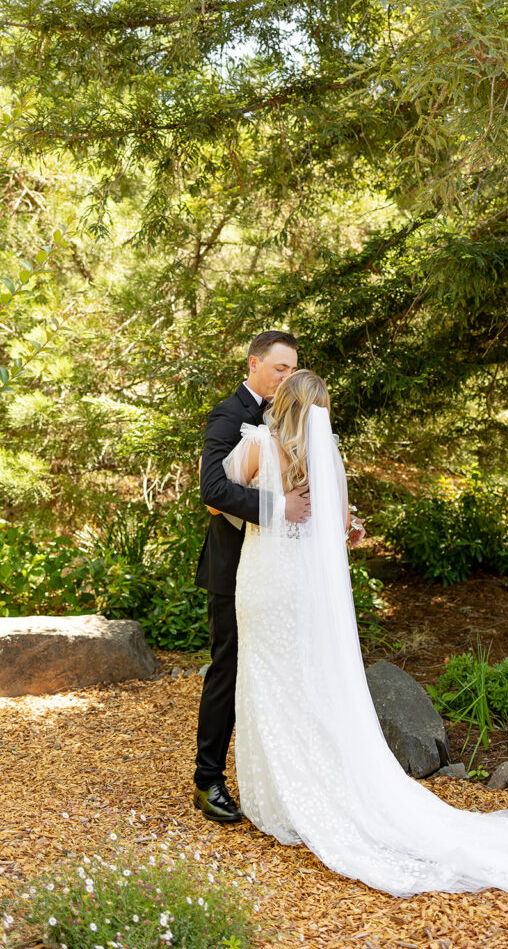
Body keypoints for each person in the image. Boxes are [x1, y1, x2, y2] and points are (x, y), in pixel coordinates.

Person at [222, 369, 508, 904]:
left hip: (262, 582)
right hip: (302, 591)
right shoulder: (326, 458)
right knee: (304, 685)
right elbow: (336, 531)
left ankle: (281, 798)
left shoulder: (256, 445)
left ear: (283, 402)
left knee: (268, 682)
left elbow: (219, 500)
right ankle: (309, 788)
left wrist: (270, 512)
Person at [193, 331, 309, 823]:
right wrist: (278, 510)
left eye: (293, 370)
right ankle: (208, 779)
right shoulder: (228, 414)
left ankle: (276, 778)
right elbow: (213, 489)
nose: (287, 377)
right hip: (233, 566)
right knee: (228, 669)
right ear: (255, 364)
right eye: (280, 368)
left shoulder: (289, 418)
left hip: (276, 569)